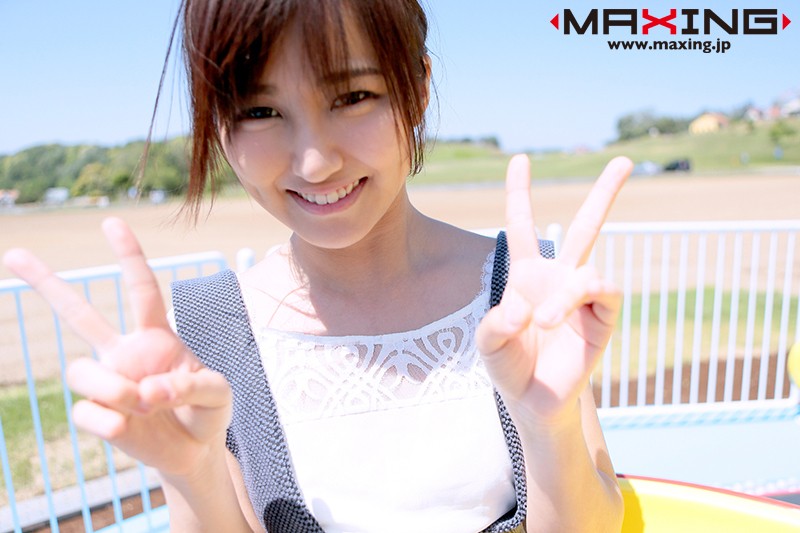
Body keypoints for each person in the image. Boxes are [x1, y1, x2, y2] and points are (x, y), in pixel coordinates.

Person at [3, 0, 632, 531]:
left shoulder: (524, 296)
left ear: (417, 89)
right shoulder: (209, 331)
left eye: (353, 96)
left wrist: (547, 427)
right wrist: (192, 475)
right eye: (259, 111)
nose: (314, 163)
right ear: (218, 122)